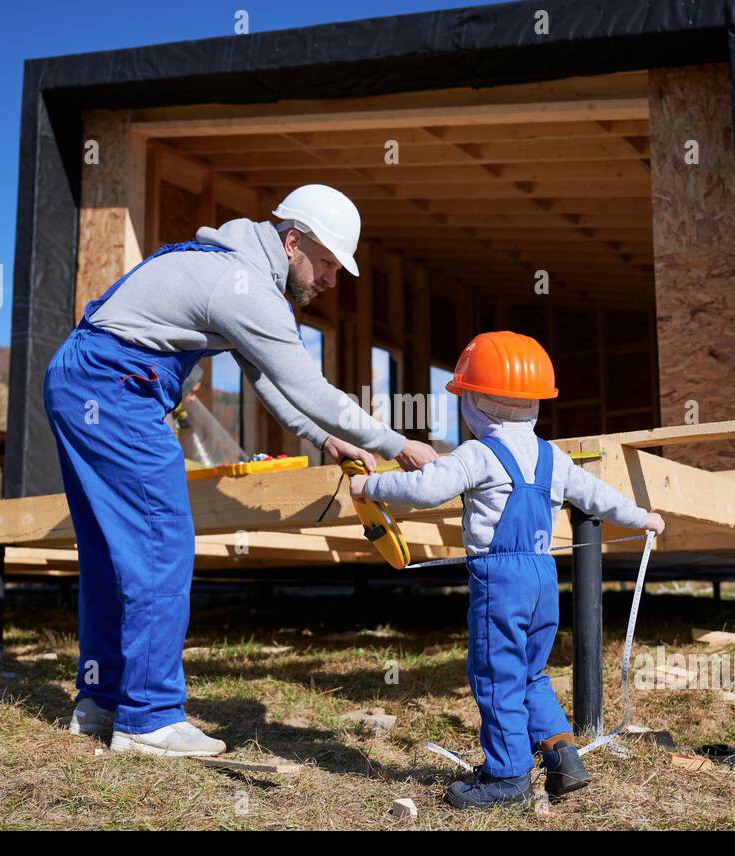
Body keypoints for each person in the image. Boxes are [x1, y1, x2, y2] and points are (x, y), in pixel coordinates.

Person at [46, 184, 438, 758]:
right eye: (328, 263)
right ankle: (149, 719)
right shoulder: (245, 287)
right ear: (294, 241)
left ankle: (100, 702)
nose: (331, 280)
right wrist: (398, 443)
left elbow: (270, 383)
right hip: (116, 387)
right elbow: (308, 385)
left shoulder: (234, 269)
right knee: (160, 545)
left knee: (112, 552)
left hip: (78, 378)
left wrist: (325, 439)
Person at [349, 331, 665, 807]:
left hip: (501, 580)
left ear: (473, 400)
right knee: (530, 671)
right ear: (535, 402)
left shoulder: (477, 454)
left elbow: (425, 489)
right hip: (543, 577)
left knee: (496, 674)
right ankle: (563, 757)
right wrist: (643, 517)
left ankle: (507, 776)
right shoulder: (553, 456)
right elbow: (599, 497)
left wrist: (369, 487)